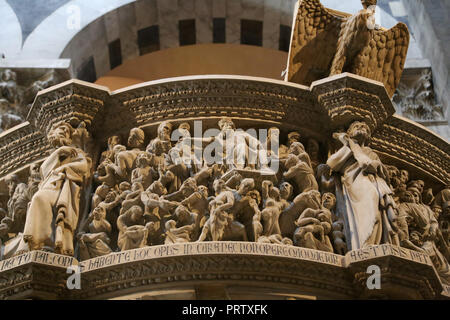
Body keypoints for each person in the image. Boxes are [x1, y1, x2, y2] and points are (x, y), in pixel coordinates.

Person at [23, 121, 91, 255]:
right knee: (38, 199)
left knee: (39, 198)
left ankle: (48, 242)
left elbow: (84, 166)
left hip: (63, 189)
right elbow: (44, 170)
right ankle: (41, 243)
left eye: (66, 131)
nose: (64, 131)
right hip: (49, 185)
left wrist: (65, 167)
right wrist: (59, 152)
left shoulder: (75, 151)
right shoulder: (54, 154)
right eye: (61, 129)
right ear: (52, 134)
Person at [327, 121, 398, 250]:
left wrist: (377, 165)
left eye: (364, 127)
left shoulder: (371, 152)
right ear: (349, 133)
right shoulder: (348, 147)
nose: (361, 128)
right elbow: (331, 163)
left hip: (372, 182)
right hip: (355, 184)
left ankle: (371, 244)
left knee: (376, 213)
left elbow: (382, 172)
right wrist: (350, 145)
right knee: (369, 210)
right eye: (356, 127)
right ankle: (363, 245)